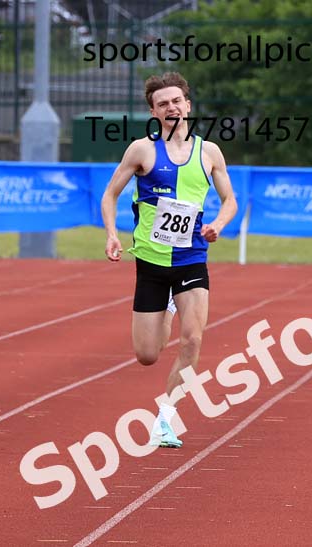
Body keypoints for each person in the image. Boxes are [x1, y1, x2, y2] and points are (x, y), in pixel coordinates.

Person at [101, 72, 238, 448]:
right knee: (147, 355)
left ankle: (166, 417)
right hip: (151, 261)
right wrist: (112, 233)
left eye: (177, 101)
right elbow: (110, 195)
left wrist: (218, 225)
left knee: (192, 339)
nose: (171, 107)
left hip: (192, 257)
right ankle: (168, 306)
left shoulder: (209, 153)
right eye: (163, 104)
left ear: (188, 105)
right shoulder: (141, 150)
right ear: (154, 112)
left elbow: (230, 200)